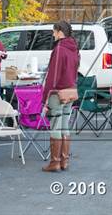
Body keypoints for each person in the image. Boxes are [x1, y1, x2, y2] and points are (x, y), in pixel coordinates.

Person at [42, 21, 79, 172]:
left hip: (57, 93)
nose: (52, 34)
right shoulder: (74, 49)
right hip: (70, 91)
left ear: (59, 32)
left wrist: (45, 97)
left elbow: (53, 76)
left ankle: (55, 162)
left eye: (54, 31)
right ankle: (64, 161)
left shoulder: (59, 49)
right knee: (64, 126)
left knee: (55, 126)